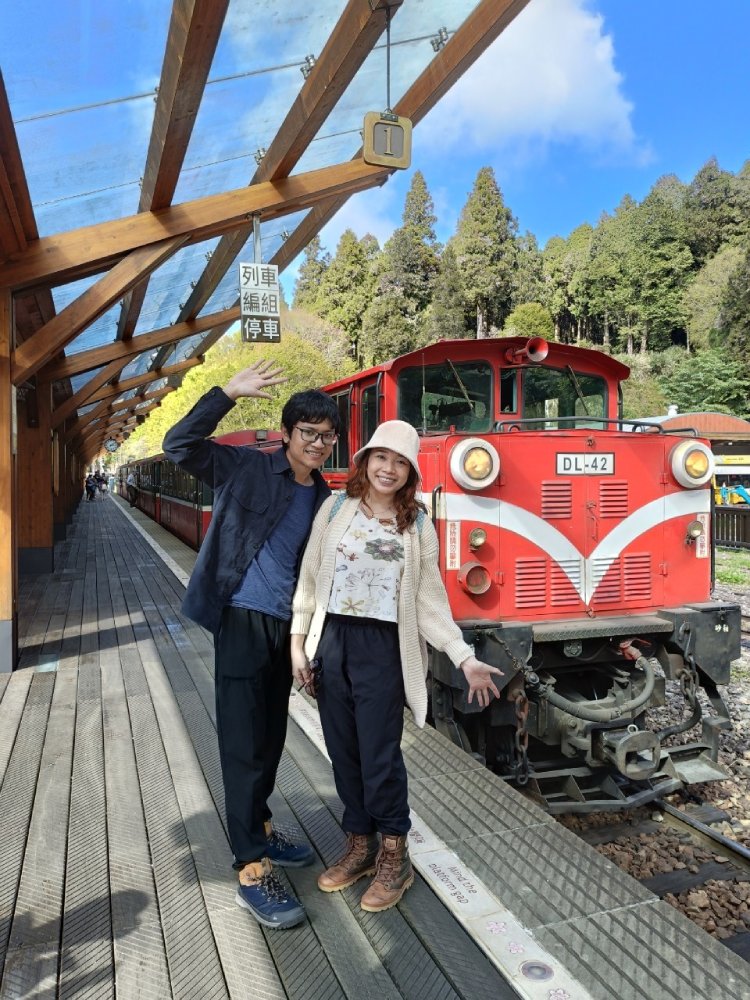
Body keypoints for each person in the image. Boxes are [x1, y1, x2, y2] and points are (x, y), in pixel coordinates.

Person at [290, 420, 503, 913]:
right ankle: (360, 844)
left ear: (410, 473)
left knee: (379, 754)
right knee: (342, 750)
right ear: (365, 461)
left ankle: (394, 853)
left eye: (401, 462)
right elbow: (309, 577)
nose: (389, 468)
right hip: (332, 640)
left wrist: (464, 657)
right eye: (382, 457)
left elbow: (430, 601)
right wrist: (298, 644)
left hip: (385, 647)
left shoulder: (417, 526)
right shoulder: (335, 508)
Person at [162, 359, 340, 930]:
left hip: (286, 632)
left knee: (270, 738)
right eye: (308, 432)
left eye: (327, 435)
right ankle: (249, 869)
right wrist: (227, 393)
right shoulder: (246, 468)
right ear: (287, 433)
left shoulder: (326, 499)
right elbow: (177, 444)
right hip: (241, 620)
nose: (318, 443)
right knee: (242, 744)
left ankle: (260, 825)